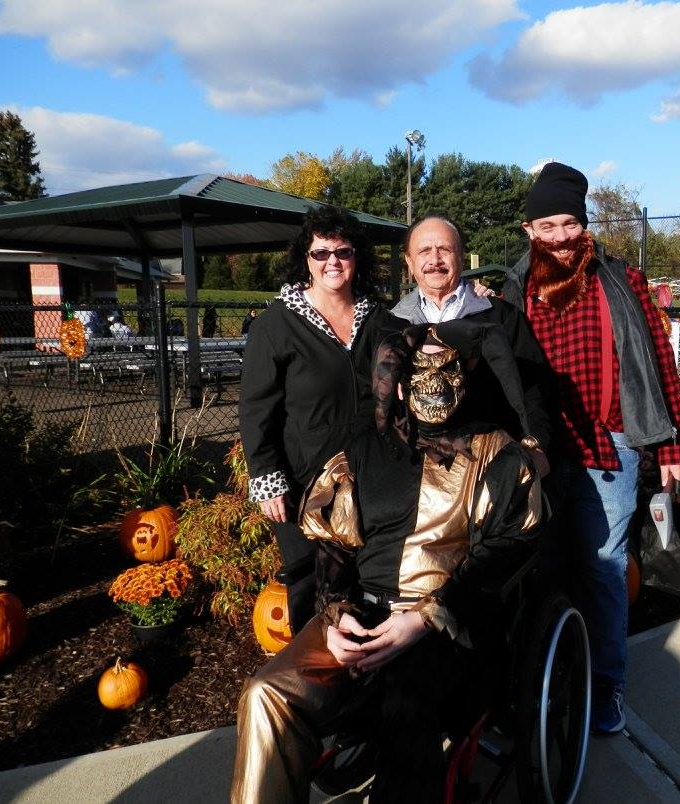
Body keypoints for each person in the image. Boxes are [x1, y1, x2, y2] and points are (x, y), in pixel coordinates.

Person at [231, 320, 543, 803]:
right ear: (399, 383)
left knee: (406, 703)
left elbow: (505, 549)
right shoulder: (363, 450)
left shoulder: (496, 456)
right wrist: (335, 614)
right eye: (420, 372)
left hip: (446, 627)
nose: (434, 384)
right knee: (266, 693)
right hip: (359, 618)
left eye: (447, 371)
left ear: (466, 379)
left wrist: (426, 617)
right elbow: (335, 546)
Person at [501, 162, 680, 734]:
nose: (559, 237)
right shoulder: (516, 288)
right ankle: (553, 671)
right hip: (541, 447)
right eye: (546, 226)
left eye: (568, 224)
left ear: (583, 225)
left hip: (611, 445)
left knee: (604, 567)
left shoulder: (619, 279)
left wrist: (673, 444)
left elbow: (659, 360)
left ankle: (606, 684)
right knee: (544, 564)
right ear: (529, 230)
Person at [239, 207, 400, 633]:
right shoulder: (277, 324)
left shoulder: (378, 319)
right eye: (321, 253)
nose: (333, 261)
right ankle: (311, 669)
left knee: (368, 582)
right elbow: (256, 407)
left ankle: (365, 662)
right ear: (305, 259)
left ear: (357, 257)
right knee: (312, 588)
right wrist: (267, 476)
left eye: (343, 252)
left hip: (371, 477)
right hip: (305, 483)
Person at [390, 215, 552, 472]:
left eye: (444, 249)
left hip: (493, 463)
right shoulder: (391, 325)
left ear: (461, 256)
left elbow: (535, 388)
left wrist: (538, 446)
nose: (435, 260)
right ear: (409, 262)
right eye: (424, 251)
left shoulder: (501, 316)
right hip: (417, 466)